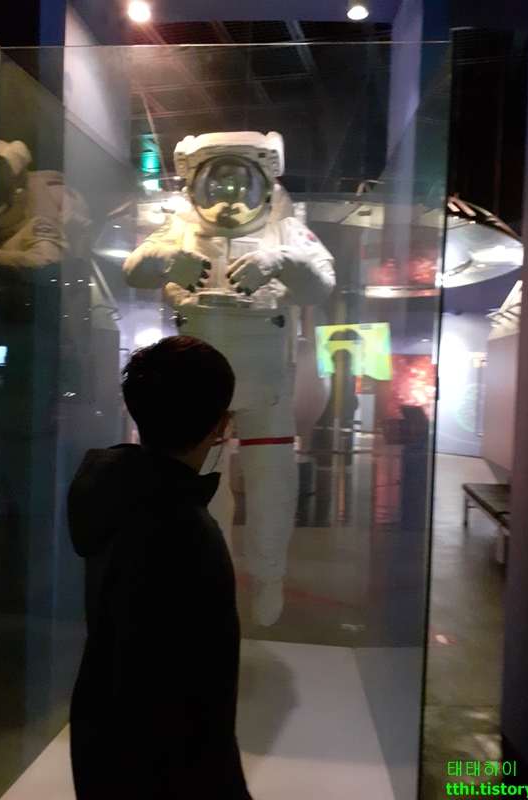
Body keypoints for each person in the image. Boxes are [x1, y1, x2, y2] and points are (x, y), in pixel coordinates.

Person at [123, 130, 335, 626]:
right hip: (200, 382)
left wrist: (278, 261)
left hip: (264, 384)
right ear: (197, 183)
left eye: (241, 183)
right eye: (217, 183)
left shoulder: (285, 229)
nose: (229, 195)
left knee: (271, 488)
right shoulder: (180, 227)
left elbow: (320, 283)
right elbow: (134, 270)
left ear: (263, 182)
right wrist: (166, 260)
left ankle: (268, 577)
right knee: (201, 488)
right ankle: (206, 577)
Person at [68, 335, 252, 800]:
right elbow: (162, 703)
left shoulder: (117, 495)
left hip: (102, 754)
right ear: (221, 425)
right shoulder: (181, 532)